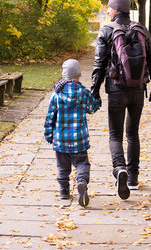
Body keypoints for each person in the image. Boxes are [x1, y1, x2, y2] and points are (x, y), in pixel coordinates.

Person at [91, 0, 151, 200]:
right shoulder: (141, 29)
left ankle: (119, 169)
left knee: (115, 134)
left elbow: (99, 64)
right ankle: (133, 178)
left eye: (109, 9)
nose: (108, 12)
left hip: (115, 90)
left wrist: (94, 91)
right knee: (133, 133)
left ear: (114, 10)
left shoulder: (107, 30)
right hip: (138, 88)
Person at [44, 59, 101, 207]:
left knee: (62, 167)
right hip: (79, 139)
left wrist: (49, 134)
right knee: (82, 163)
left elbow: (50, 116)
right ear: (78, 75)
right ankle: (81, 181)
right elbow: (92, 108)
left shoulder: (56, 94)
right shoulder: (83, 92)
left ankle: (64, 191)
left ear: (64, 75)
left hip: (61, 139)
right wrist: (96, 98)